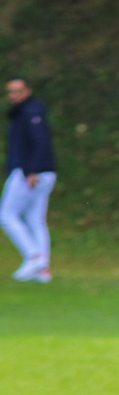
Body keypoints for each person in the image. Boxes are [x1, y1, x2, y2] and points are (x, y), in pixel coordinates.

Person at [1, 76, 56, 283]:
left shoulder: (32, 111)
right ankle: (42, 271)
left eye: (18, 91)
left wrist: (32, 171)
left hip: (29, 172)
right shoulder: (21, 112)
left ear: (28, 91)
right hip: (38, 171)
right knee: (35, 220)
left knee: (6, 215)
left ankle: (35, 257)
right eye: (11, 92)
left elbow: (39, 142)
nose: (14, 95)